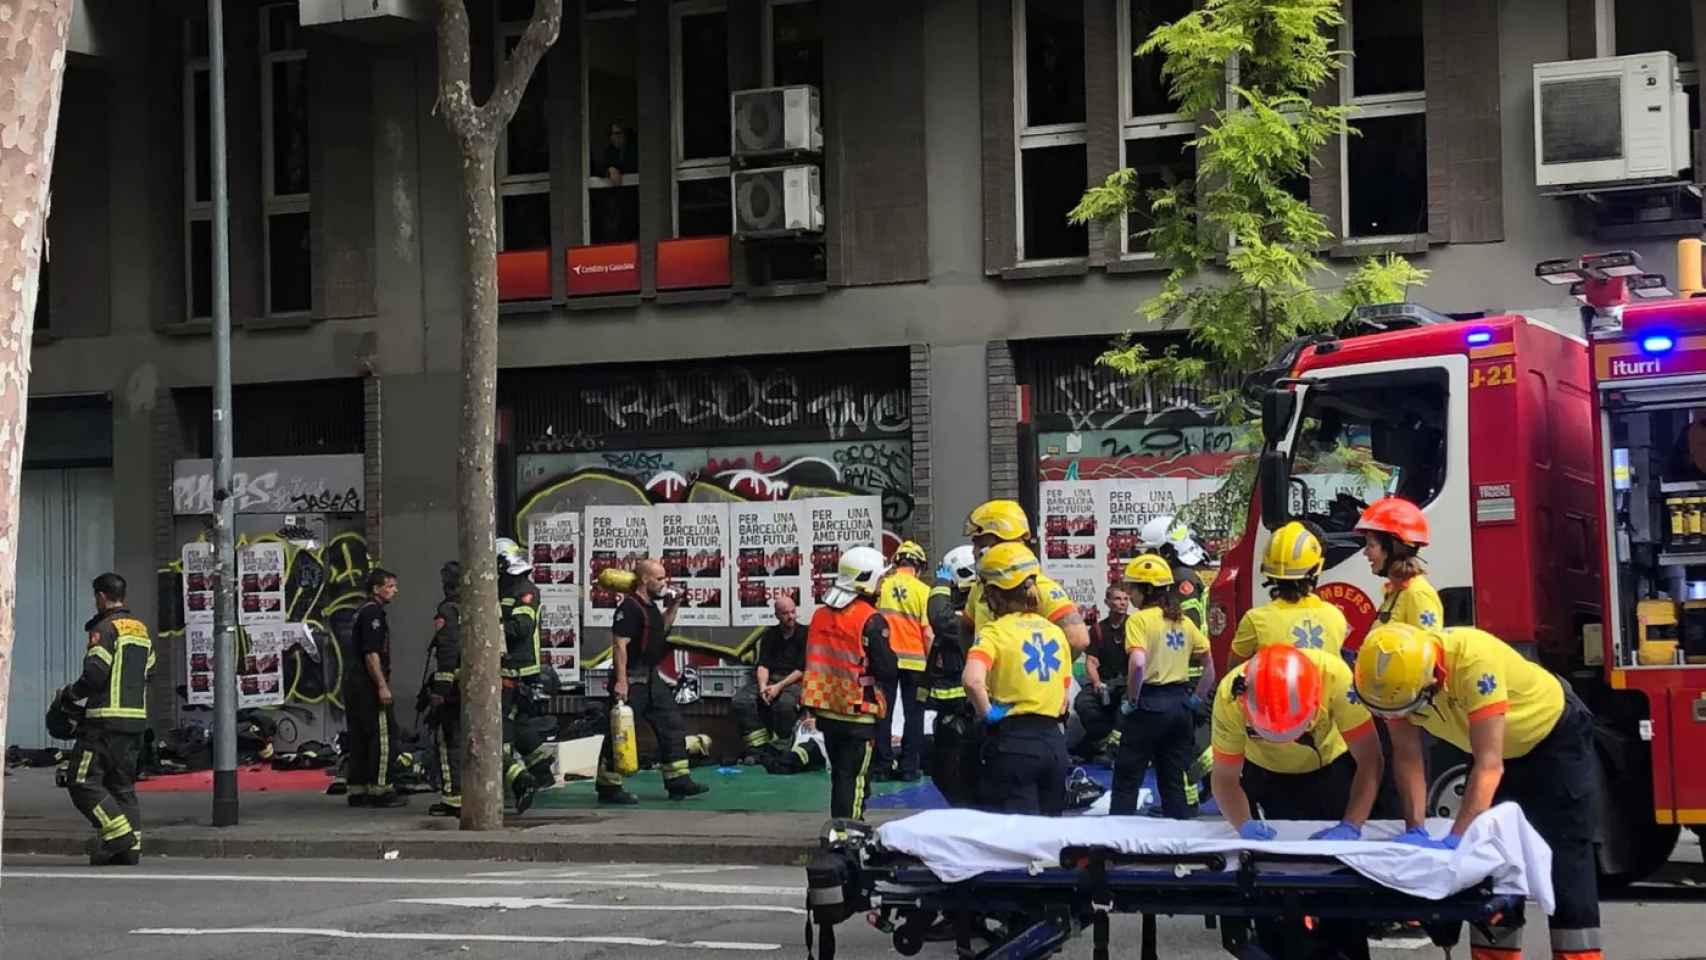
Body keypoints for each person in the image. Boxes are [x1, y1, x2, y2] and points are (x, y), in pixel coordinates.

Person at [1355, 623, 1603, 960]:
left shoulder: (1473, 662)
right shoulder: (1392, 683)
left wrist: (1457, 840)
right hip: (1494, 748)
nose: (1400, 716)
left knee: (1565, 859)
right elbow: (1408, 755)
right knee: (1490, 865)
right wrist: (1416, 829)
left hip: (1554, 740)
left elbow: (1490, 766)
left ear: (1431, 679)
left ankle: (1579, 956)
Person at [1213, 644, 1383, 960]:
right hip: (1262, 773)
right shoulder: (1231, 694)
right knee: (1269, 887)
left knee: (1340, 890)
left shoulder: (1335, 677)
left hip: (1327, 769)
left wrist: (1351, 824)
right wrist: (1244, 824)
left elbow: (1370, 761)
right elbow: (1224, 778)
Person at [963, 543, 1072, 815]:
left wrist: (988, 714)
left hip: (1014, 744)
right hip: (1054, 745)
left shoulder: (995, 632)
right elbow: (1064, 696)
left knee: (1018, 840)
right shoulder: (1055, 632)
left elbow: (972, 681)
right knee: (1051, 839)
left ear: (993, 594)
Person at [596, 559, 710, 803]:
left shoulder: (649, 607)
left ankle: (678, 781)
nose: (664, 582)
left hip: (650, 677)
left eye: (664, 578)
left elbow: (662, 628)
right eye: (659, 578)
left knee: (672, 723)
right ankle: (608, 786)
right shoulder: (629, 607)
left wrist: (676, 604)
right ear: (645, 579)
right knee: (621, 732)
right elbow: (619, 645)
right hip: (631, 678)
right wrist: (621, 681)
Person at [1109, 555, 1215, 817]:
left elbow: (1137, 663)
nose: (1129, 595)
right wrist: (1196, 699)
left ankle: (1115, 846)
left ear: (1145, 590)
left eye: (1132, 588)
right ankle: (1178, 845)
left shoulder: (1139, 620)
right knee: (1173, 782)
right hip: (1180, 707)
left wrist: (1133, 700)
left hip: (1148, 705)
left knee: (1127, 779)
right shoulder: (1182, 621)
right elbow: (1210, 667)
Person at [61, 573, 153, 865]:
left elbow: (95, 673)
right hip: (135, 722)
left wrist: (70, 694)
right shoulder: (141, 630)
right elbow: (148, 671)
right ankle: (130, 849)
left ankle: (118, 836)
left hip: (104, 723)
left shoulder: (104, 628)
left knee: (81, 780)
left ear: (101, 596)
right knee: (121, 785)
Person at [800, 545, 898, 819]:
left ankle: (841, 828)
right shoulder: (870, 619)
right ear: (865, 580)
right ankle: (847, 833)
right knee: (854, 778)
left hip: (827, 710)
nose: (882, 585)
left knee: (841, 777)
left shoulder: (820, 615)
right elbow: (887, 669)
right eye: (880, 579)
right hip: (858, 712)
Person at [963, 500, 1090, 654]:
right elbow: (967, 628)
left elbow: (1078, 640)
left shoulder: (1040, 586)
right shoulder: (982, 585)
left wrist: (1048, 675)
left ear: (1000, 539)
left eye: (978, 543)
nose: (974, 551)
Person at [1229, 521, 1348, 665]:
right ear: (1316, 568)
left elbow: (1235, 671)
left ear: (1268, 572)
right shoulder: (1335, 617)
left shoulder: (1255, 620)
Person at [924, 545, 980, 804]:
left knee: (954, 770)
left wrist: (940, 585)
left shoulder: (970, 615)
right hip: (953, 708)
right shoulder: (971, 610)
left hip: (962, 709)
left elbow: (940, 617)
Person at [874, 540, 934, 782]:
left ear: (896, 562)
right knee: (914, 715)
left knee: (883, 713)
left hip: (885, 661)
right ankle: (909, 768)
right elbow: (928, 633)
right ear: (918, 566)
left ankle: (881, 767)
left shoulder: (882, 586)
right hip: (916, 665)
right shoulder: (923, 591)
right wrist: (931, 665)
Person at [496, 538, 549, 810]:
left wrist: (486, 625)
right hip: (511, 670)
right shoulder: (506, 588)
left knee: (501, 728)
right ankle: (542, 771)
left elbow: (521, 627)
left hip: (518, 671)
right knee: (522, 726)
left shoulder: (524, 589)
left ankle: (517, 781)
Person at [345, 568, 404, 808]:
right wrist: (382, 686)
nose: (394, 591)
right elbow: (372, 654)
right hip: (368, 686)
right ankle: (381, 789)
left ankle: (357, 789)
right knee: (382, 736)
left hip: (353, 684)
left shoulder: (360, 612)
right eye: (390, 586)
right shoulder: (373, 615)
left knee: (359, 736)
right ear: (376, 589)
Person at [732, 595, 806, 760]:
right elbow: (763, 665)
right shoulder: (770, 635)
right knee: (741, 701)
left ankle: (783, 749)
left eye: (793, 612)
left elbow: (802, 669)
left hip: (795, 681)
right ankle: (758, 748)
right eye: (786, 613)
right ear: (777, 615)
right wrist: (763, 687)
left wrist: (778, 687)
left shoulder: (805, 634)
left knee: (784, 705)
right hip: (771, 679)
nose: (791, 616)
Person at [1356, 497, 1444, 634]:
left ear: (1393, 549)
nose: (1365, 552)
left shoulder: (1417, 595)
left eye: (1371, 545)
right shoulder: (1396, 590)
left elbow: (1428, 648)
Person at [1071, 584, 1130, 763]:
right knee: (1082, 702)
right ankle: (1103, 741)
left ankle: (1118, 746)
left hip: (1128, 683)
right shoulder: (1097, 629)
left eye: (1126, 599)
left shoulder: (1135, 625)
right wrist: (1097, 683)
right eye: (1118, 599)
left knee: (1129, 704)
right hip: (1104, 683)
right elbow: (1091, 661)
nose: (1122, 603)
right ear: (1107, 602)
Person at [426, 561, 462, 817]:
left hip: (453, 689)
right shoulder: (476, 606)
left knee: (448, 741)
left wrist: (440, 688)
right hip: (472, 685)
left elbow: (447, 649)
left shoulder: (448, 610)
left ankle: (453, 796)